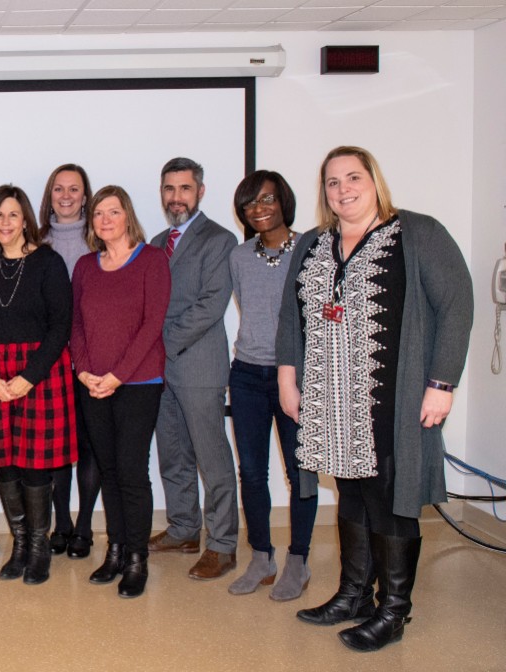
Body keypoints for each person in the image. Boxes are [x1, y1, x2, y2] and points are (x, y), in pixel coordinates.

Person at [277, 146, 472, 652]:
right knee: (351, 494)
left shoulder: (417, 233)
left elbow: (457, 305)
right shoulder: (313, 243)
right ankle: (354, 595)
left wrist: (442, 384)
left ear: (374, 180)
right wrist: (287, 378)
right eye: (332, 182)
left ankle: (394, 610)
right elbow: (290, 317)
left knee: (390, 495)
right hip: (330, 396)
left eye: (353, 178)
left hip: (392, 396)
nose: (343, 189)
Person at [0, 185, 76, 585]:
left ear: (26, 220)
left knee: (35, 467)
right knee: (7, 465)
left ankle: (39, 548)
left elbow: (60, 326)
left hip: (39, 374)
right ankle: (20, 545)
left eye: (13, 214)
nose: (5, 222)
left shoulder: (49, 262)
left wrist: (29, 377)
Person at [70, 186, 169, 598]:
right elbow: (76, 324)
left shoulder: (152, 260)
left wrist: (117, 376)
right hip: (93, 385)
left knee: (131, 472)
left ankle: (136, 559)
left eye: (113, 212)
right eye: (98, 213)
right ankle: (115, 549)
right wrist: (84, 371)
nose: (105, 220)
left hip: (138, 383)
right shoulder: (85, 266)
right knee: (107, 470)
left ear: (127, 215)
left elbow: (152, 325)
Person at [224, 171, 317, 600]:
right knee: (251, 471)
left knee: (300, 473)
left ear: (284, 202)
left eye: (266, 199)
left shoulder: (312, 250)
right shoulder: (239, 256)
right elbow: (249, 308)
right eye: (249, 203)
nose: (258, 209)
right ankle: (262, 557)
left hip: (296, 377)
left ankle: (299, 561)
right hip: (246, 374)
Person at [147, 157, 240, 581]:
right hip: (160, 371)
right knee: (173, 454)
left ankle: (221, 545)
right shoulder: (156, 242)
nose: (176, 197)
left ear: (200, 191)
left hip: (199, 365)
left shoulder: (220, 240)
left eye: (185, 188)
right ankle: (184, 529)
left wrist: (160, 343)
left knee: (211, 458)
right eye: (169, 189)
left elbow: (210, 306)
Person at [38, 163, 100, 560]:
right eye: (58, 189)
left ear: (85, 195)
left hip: (93, 359)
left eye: (73, 189)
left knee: (91, 444)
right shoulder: (35, 241)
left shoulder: (101, 236)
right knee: (58, 446)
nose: (65, 196)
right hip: (51, 360)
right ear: (50, 195)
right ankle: (60, 523)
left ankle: (85, 526)